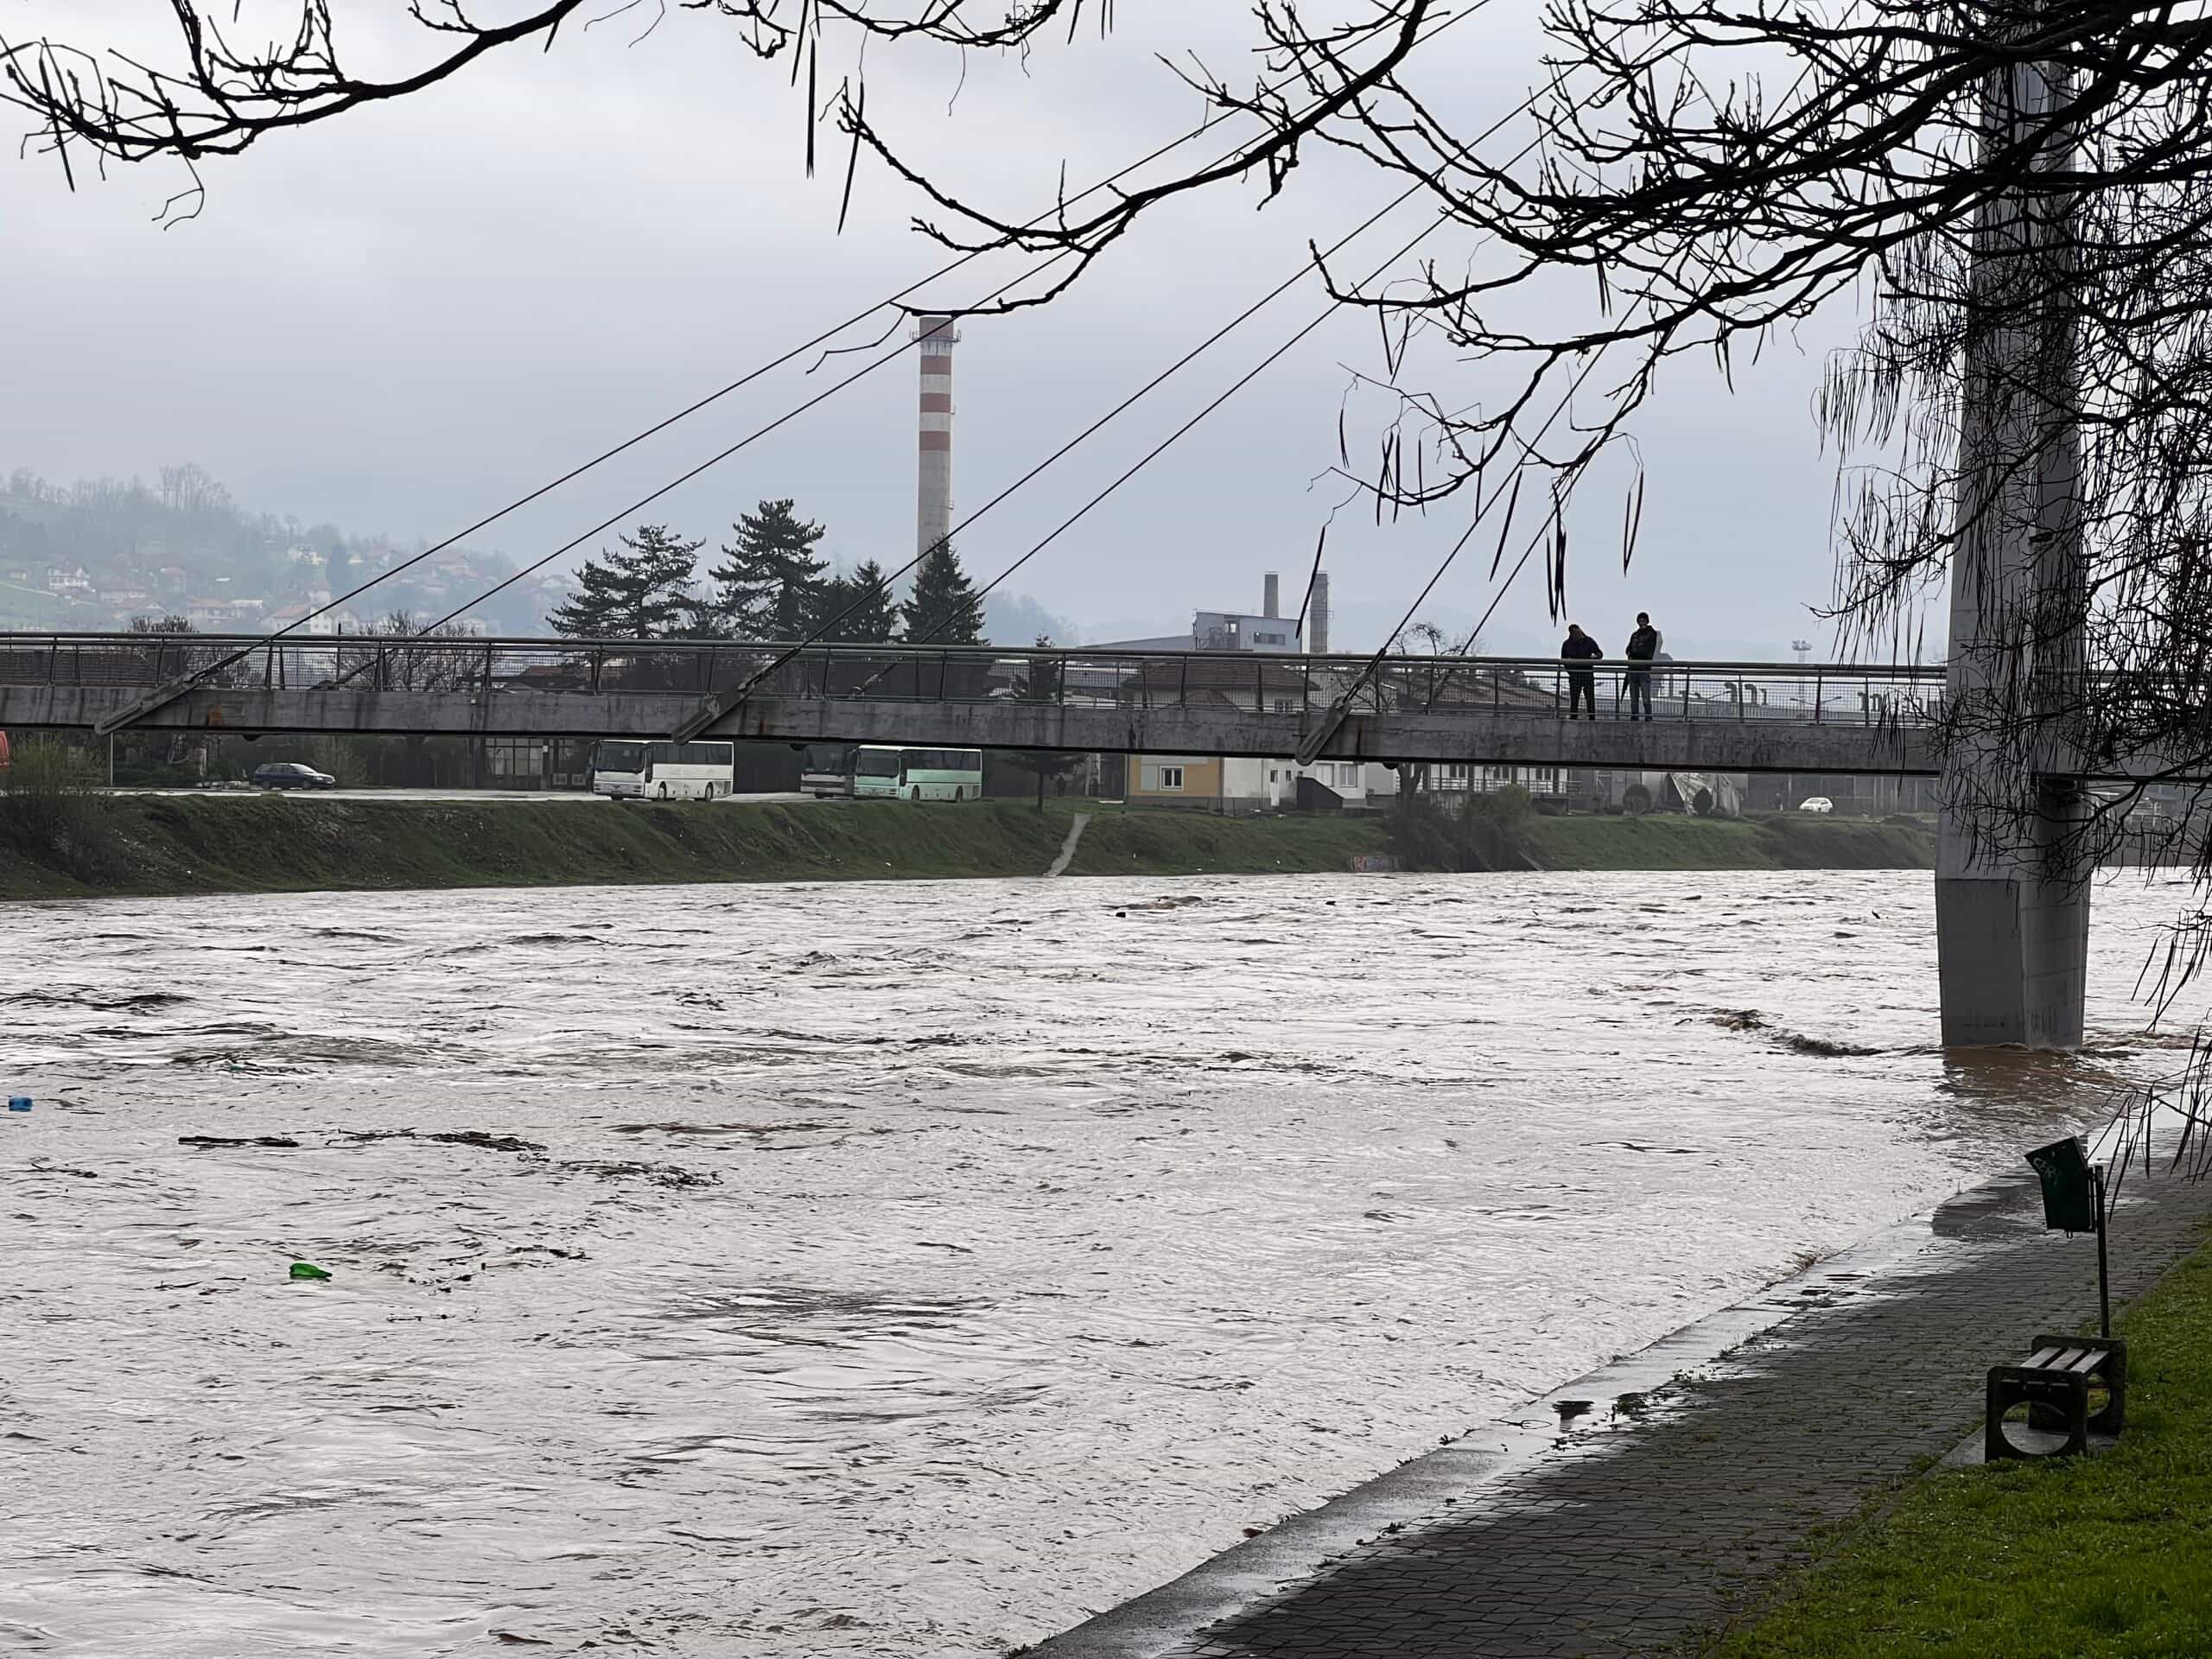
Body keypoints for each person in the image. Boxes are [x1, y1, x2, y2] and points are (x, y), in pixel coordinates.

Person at [1624, 612, 1662, 720]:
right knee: (1634, 698)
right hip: (1633, 669)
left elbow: (1646, 651)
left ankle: (1648, 717)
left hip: (1644, 669)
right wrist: (1632, 653)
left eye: (1643, 620)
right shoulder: (1635, 635)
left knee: (1646, 697)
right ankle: (1634, 717)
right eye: (1640, 621)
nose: (1641, 623)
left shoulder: (1651, 634)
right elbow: (1629, 649)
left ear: (1647, 621)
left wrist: (1634, 653)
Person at [1560, 623, 1603, 719]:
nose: (1576, 634)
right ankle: (1573, 718)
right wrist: (1570, 672)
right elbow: (1563, 659)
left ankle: (1592, 718)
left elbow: (1599, 653)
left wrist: (1595, 657)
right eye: (1573, 633)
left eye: (1577, 632)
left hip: (1587, 673)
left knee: (1590, 698)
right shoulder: (1567, 644)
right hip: (1575, 675)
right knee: (1574, 699)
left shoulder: (1589, 641)